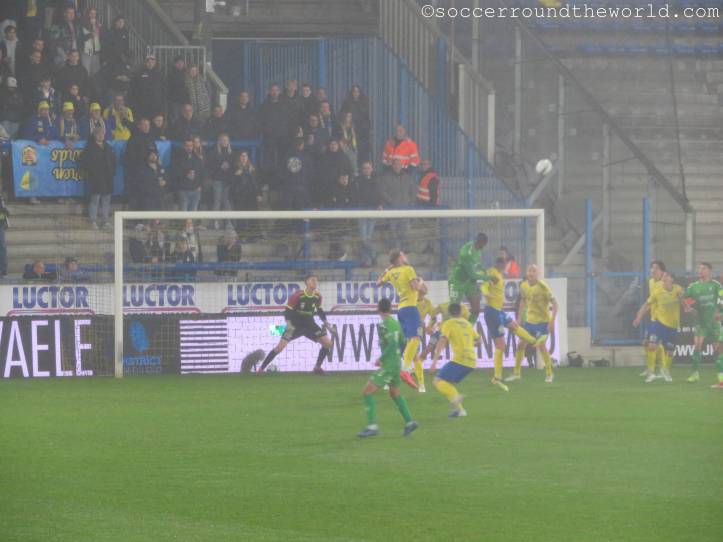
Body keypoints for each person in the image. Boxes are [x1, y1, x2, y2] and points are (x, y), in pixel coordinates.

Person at [357, 297, 419, 438]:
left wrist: (382, 358)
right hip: (396, 363)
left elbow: (391, 343)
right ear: (390, 309)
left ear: (378, 309)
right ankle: (410, 422)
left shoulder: (383, 325)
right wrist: (397, 357)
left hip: (389, 365)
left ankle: (372, 427)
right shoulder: (396, 323)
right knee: (394, 393)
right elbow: (403, 342)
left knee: (367, 392)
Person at [479, 257, 542, 391]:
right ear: (500, 264)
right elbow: (484, 285)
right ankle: (497, 376)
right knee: (501, 346)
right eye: (504, 265)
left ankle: (534, 341)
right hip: (493, 313)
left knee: (514, 325)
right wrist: (486, 294)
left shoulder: (499, 274)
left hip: (499, 311)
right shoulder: (493, 274)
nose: (506, 267)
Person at [257, 273, 336, 375]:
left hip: (310, 325)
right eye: (312, 280)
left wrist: (327, 324)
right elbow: (287, 311)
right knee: (279, 348)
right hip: (295, 326)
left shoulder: (318, 296)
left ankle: (317, 368)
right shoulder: (298, 295)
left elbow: (320, 310)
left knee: (328, 344)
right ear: (306, 282)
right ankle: (261, 369)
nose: (315, 282)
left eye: (316, 280)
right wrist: (289, 324)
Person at [377, 250, 426, 390]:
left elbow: (378, 283)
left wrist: (387, 269)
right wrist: (421, 282)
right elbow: (416, 287)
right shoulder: (408, 269)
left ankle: (391, 380)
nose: (405, 256)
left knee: (408, 347)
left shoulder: (391, 272)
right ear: (399, 258)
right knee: (416, 339)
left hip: (401, 310)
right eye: (403, 255)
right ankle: (404, 368)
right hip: (411, 308)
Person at [505, 264, 558, 384]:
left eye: (534, 271)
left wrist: (552, 320)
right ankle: (516, 373)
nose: (531, 273)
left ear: (537, 274)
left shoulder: (543, 287)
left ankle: (549, 373)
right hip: (529, 321)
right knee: (520, 344)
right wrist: (519, 319)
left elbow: (555, 304)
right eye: (529, 270)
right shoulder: (524, 285)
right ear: (527, 273)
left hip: (542, 322)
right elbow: (523, 300)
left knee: (541, 346)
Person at [431, 302, 481, 418]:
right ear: (461, 312)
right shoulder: (468, 324)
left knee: (438, 381)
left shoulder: (448, 323)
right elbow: (479, 341)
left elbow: (442, 341)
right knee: (448, 384)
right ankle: (460, 411)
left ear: (449, 312)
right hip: (472, 362)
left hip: (460, 360)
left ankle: (456, 398)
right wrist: (469, 344)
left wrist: (434, 361)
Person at [633, 271, 683, 384]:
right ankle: (651, 373)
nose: (663, 278)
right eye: (663, 276)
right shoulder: (658, 291)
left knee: (670, 352)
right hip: (659, 323)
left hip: (673, 325)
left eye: (666, 276)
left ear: (672, 279)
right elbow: (647, 304)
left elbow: (683, 299)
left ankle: (665, 370)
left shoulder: (677, 288)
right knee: (651, 345)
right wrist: (638, 317)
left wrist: (685, 303)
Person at [683, 262, 722, 386]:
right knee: (697, 345)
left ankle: (720, 377)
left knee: (718, 349)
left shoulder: (716, 285)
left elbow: (721, 299)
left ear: (709, 271)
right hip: (700, 322)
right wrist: (688, 308)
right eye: (699, 268)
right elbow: (686, 301)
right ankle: (695, 374)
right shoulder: (693, 287)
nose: (700, 271)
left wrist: (720, 312)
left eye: (703, 268)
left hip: (714, 323)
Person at [78, 127, 116, 229]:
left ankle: (105, 221)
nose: (101, 135)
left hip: (107, 178)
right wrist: (91, 171)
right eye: (98, 134)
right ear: (94, 135)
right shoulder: (89, 147)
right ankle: (93, 221)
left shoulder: (107, 146)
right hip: (96, 178)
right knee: (95, 199)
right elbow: (83, 161)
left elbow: (113, 160)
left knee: (106, 200)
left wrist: (112, 171)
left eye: (102, 134)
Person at [448, 232, 489, 325]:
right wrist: (488, 277)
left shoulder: (478, 251)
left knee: (476, 309)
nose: (483, 247)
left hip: (469, 281)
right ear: (481, 242)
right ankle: (448, 329)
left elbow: (476, 265)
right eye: (484, 244)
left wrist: (482, 269)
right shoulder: (466, 252)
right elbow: (472, 275)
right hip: (457, 280)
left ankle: (468, 328)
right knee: (454, 309)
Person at [425, 300, 472, 373]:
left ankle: (434, 365)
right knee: (428, 349)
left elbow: (467, 320)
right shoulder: (443, 305)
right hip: (440, 332)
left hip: (453, 333)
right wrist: (430, 325)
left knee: (443, 347)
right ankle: (419, 366)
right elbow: (433, 314)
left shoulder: (464, 308)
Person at [638, 260, 666, 379]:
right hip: (652, 317)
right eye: (652, 267)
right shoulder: (650, 282)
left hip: (661, 319)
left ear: (662, 271)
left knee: (652, 344)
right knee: (646, 343)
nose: (653, 270)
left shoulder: (663, 284)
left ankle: (653, 371)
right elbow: (651, 300)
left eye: (656, 268)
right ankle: (658, 369)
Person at [356, 161, 382, 267]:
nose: (366, 170)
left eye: (368, 168)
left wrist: (379, 204)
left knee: (368, 237)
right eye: (365, 168)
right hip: (361, 211)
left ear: (372, 169)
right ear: (362, 170)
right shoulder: (358, 181)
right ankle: (374, 254)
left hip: (372, 210)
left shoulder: (376, 180)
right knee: (364, 238)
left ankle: (366, 261)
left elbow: (379, 194)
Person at [207, 133, 234, 228]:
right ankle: (215, 221)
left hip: (227, 181)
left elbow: (233, 164)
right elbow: (210, 165)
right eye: (223, 140)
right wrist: (220, 166)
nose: (225, 142)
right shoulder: (214, 151)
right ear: (219, 141)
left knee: (226, 201)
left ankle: (228, 222)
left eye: (226, 140)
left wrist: (228, 166)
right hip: (217, 179)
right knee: (217, 201)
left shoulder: (231, 152)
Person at [129, 53, 165, 122]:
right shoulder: (139, 73)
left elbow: (163, 89)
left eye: (152, 61)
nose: (150, 63)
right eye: (148, 61)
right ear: (145, 62)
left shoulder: (159, 73)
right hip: (142, 105)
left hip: (156, 105)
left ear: (155, 62)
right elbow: (134, 88)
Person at [340, 85, 370, 163]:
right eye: (354, 91)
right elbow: (342, 116)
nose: (356, 93)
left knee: (362, 154)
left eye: (357, 91)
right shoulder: (347, 102)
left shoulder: (364, 103)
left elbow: (366, 118)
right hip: (350, 132)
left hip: (362, 134)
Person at [172, 136, 204, 212]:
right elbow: (174, 173)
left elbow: (201, 173)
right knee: (184, 213)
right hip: (183, 190)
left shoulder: (197, 158)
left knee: (193, 213)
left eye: (191, 146)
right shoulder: (178, 158)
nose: (189, 148)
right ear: (184, 146)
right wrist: (185, 174)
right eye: (187, 146)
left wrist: (200, 185)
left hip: (196, 190)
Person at [134, 146, 166, 211]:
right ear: (147, 156)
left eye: (155, 155)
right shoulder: (142, 169)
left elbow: (166, 178)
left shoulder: (160, 167)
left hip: (160, 197)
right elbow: (140, 184)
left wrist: (165, 182)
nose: (154, 157)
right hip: (148, 199)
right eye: (151, 155)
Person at [78, 7, 102, 76]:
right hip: (86, 52)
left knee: (96, 73)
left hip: (96, 52)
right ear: (88, 14)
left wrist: (99, 28)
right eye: (91, 13)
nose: (93, 15)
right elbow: (80, 39)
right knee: (86, 72)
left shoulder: (98, 24)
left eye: (94, 13)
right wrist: (91, 34)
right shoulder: (82, 24)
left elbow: (101, 38)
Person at [166, 55, 189, 123]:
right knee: (176, 118)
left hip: (185, 100)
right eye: (178, 63)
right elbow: (167, 88)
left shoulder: (187, 73)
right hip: (175, 101)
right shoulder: (170, 74)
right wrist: (170, 98)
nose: (180, 64)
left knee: (185, 117)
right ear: (175, 64)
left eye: (182, 63)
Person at [0, 192, 9, 278]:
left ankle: (3, 270)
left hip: (0, 225)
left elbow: (6, 213)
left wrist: (5, 211)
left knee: (2, 247)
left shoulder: (1, 197)